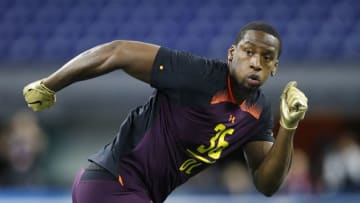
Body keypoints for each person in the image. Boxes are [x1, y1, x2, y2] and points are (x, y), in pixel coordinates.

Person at [22, 21, 308, 203]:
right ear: (231, 53)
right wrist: (50, 85)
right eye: (248, 52)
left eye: (266, 57)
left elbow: (267, 184)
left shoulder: (258, 110)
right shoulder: (197, 75)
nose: (256, 62)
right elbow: (118, 51)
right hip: (111, 184)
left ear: (275, 68)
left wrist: (289, 126)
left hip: (140, 195)